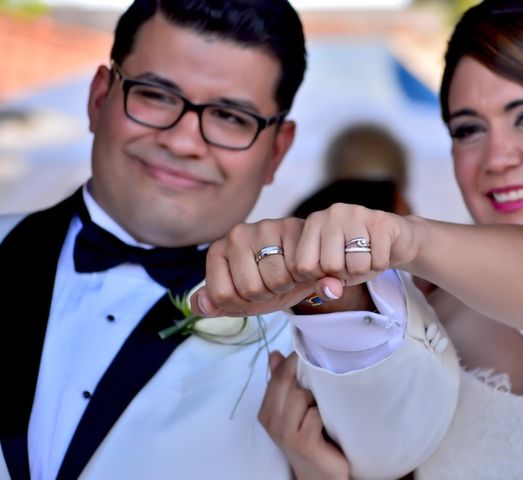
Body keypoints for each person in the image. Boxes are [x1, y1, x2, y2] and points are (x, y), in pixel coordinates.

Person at [0, 1, 459, 479]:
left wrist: (331, 301)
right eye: (155, 95)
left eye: (230, 117)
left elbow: (396, 440)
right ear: (98, 99)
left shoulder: (311, 326)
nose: (182, 141)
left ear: (277, 150)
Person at [192, 0, 523, 478]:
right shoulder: (418, 313)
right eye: (468, 129)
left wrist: (401, 236)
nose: (497, 157)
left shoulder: (418, 261)